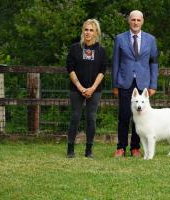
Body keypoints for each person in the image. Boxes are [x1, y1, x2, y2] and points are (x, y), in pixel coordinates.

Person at [112, 10, 159, 157]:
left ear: (142, 21)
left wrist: (153, 84)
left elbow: (154, 63)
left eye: (138, 20)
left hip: (143, 84)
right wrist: (115, 84)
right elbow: (115, 63)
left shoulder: (151, 40)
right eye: (133, 20)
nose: (136, 23)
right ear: (129, 21)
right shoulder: (119, 39)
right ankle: (121, 147)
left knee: (141, 118)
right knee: (124, 116)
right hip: (124, 83)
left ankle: (135, 148)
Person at [66, 19, 106, 158]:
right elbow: (70, 68)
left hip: (95, 90)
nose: (88, 32)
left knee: (91, 118)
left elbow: (102, 71)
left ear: (96, 32)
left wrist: (92, 88)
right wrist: (80, 87)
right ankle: (70, 149)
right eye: (86, 29)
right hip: (76, 89)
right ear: (83, 31)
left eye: (91, 30)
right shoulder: (75, 48)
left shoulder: (101, 51)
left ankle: (89, 150)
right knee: (75, 117)